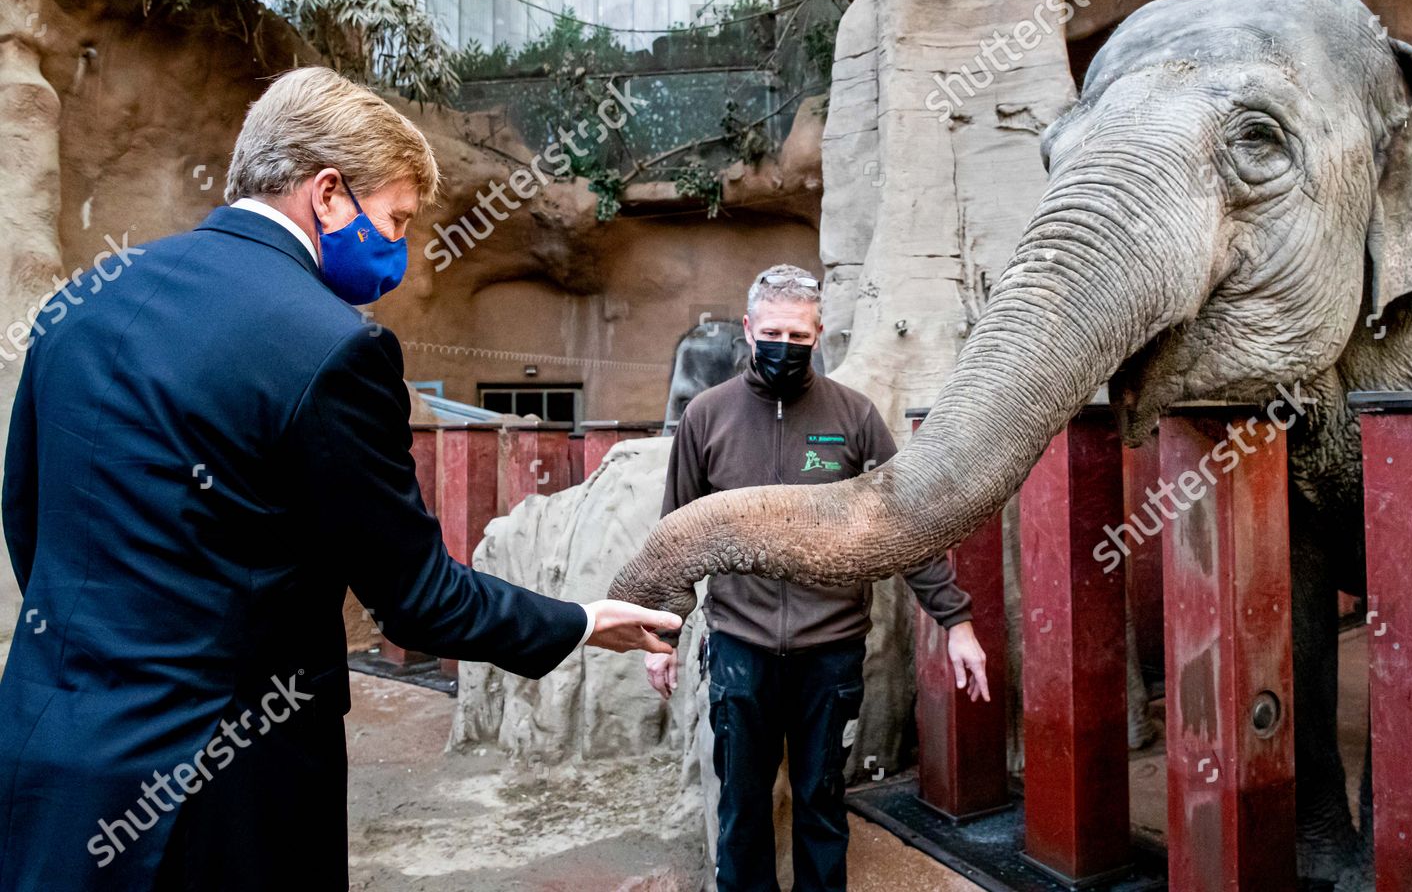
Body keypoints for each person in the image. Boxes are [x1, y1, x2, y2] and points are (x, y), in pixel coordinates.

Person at [0, 67, 680, 892]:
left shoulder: (77, 306)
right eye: (395, 218)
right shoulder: (333, 348)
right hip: (219, 796)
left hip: (47, 755)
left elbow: (31, 521)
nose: (399, 248)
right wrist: (578, 620)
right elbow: (419, 599)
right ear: (328, 194)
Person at [645, 264, 990, 892]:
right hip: (739, 649)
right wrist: (663, 639)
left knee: (822, 805)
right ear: (748, 331)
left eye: (798, 336)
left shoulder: (853, 417)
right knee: (743, 811)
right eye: (772, 331)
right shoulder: (706, 417)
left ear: (819, 333)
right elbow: (678, 539)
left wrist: (956, 621)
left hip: (829, 652)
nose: (784, 346)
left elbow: (905, 523)